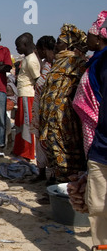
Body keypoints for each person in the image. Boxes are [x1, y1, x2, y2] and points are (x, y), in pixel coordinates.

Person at [68, 14, 107, 247]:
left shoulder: (102, 63)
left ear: (99, 35)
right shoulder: (97, 61)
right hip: (99, 145)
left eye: (90, 34)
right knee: (100, 206)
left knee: (100, 206)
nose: (87, 37)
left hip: (101, 143)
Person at [39, 24, 88, 183]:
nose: (56, 44)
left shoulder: (76, 61)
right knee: (53, 149)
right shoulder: (59, 61)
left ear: (68, 45)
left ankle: (65, 187)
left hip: (64, 118)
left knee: (63, 150)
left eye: (60, 42)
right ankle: (57, 184)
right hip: (51, 117)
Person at [73, 11, 107, 157]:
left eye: (89, 37)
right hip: (89, 118)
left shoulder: (102, 61)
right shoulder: (94, 60)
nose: (87, 40)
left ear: (98, 39)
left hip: (98, 119)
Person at [12, 33, 41, 161]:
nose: (17, 49)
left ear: (24, 45)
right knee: (20, 123)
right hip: (22, 94)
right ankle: (19, 149)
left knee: (26, 124)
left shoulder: (31, 60)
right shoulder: (27, 58)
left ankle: (27, 153)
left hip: (27, 95)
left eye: (18, 46)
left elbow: (37, 79)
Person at [31, 35, 56, 182]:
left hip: (49, 110)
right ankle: (41, 172)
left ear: (42, 49)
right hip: (40, 108)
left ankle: (52, 175)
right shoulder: (46, 64)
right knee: (40, 141)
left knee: (50, 141)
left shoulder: (56, 65)